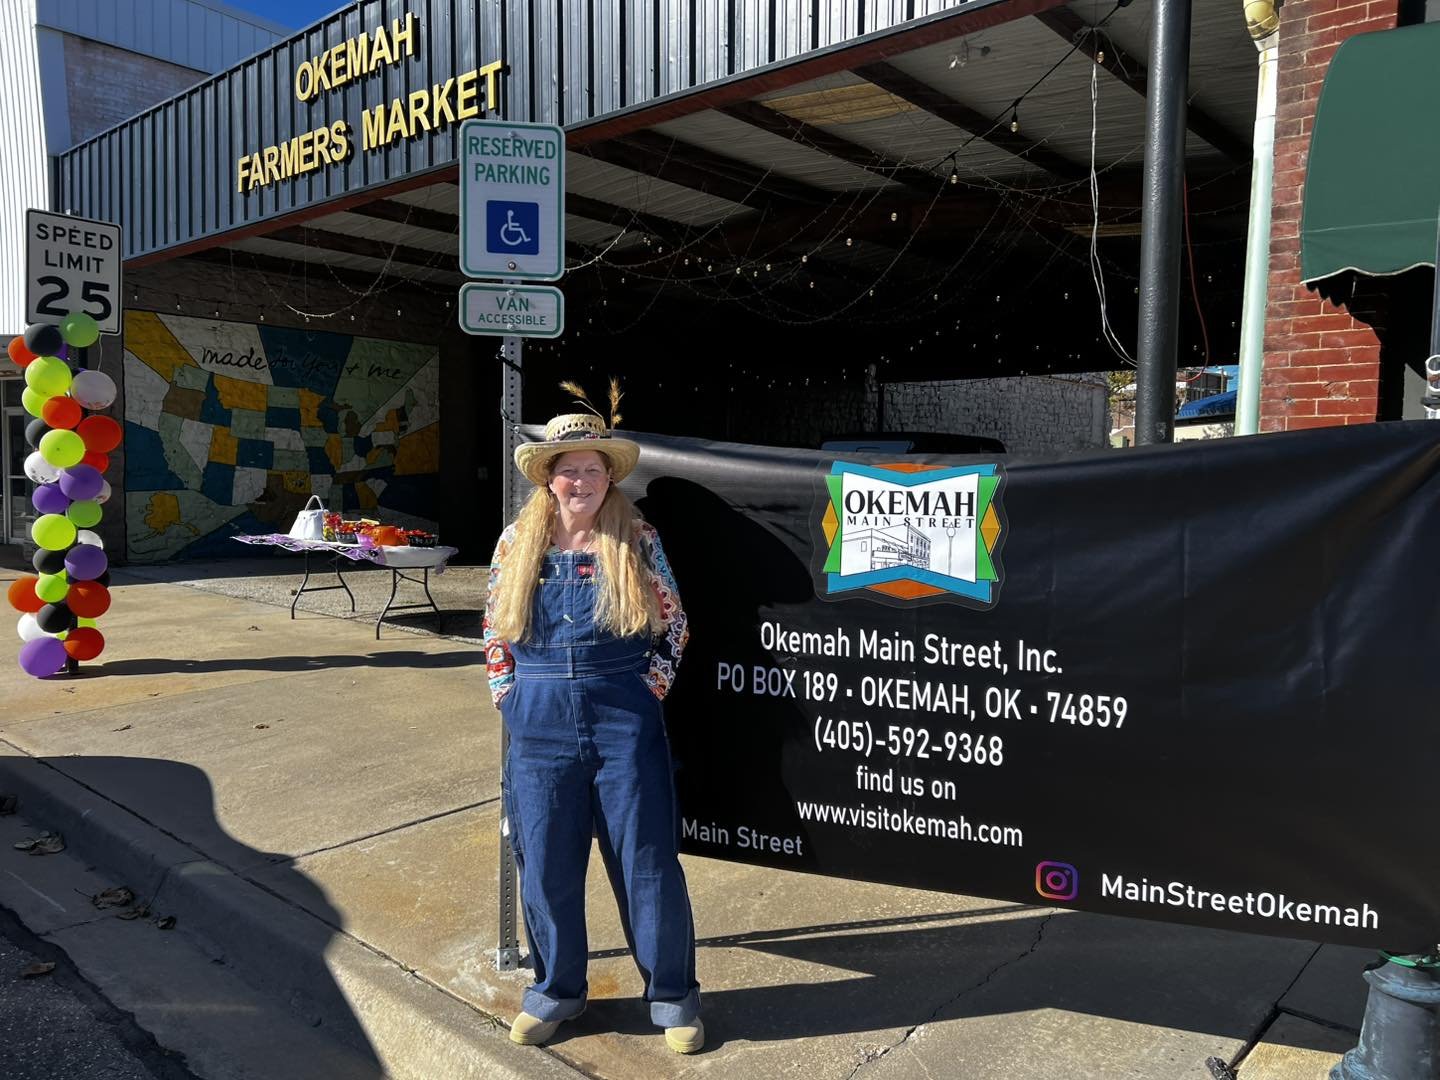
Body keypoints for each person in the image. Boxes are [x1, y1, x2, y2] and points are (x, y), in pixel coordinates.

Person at [483, 405, 702, 1054]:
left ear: (609, 478)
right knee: (546, 867)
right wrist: (509, 696)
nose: (581, 481)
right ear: (548, 478)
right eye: (568, 471)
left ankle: (672, 998)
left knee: (648, 865)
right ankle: (556, 992)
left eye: (592, 471)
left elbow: (675, 623)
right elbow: (495, 631)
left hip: (622, 725)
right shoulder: (513, 543)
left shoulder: (636, 538)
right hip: (538, 728)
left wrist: (647, 690)